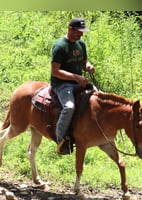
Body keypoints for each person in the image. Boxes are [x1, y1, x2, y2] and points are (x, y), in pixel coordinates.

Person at [50, 17, 95, 154]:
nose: (81, 35)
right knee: (69, 107)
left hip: (78, 83)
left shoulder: (80, 44)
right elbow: (55, 71)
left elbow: (84, 62)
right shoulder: (59, 46)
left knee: (99, 98)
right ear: (70, 29)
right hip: (62, 84)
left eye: (82, 32)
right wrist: (76, 77)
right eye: (78, 32)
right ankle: (60, 140)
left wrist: (88, 66)